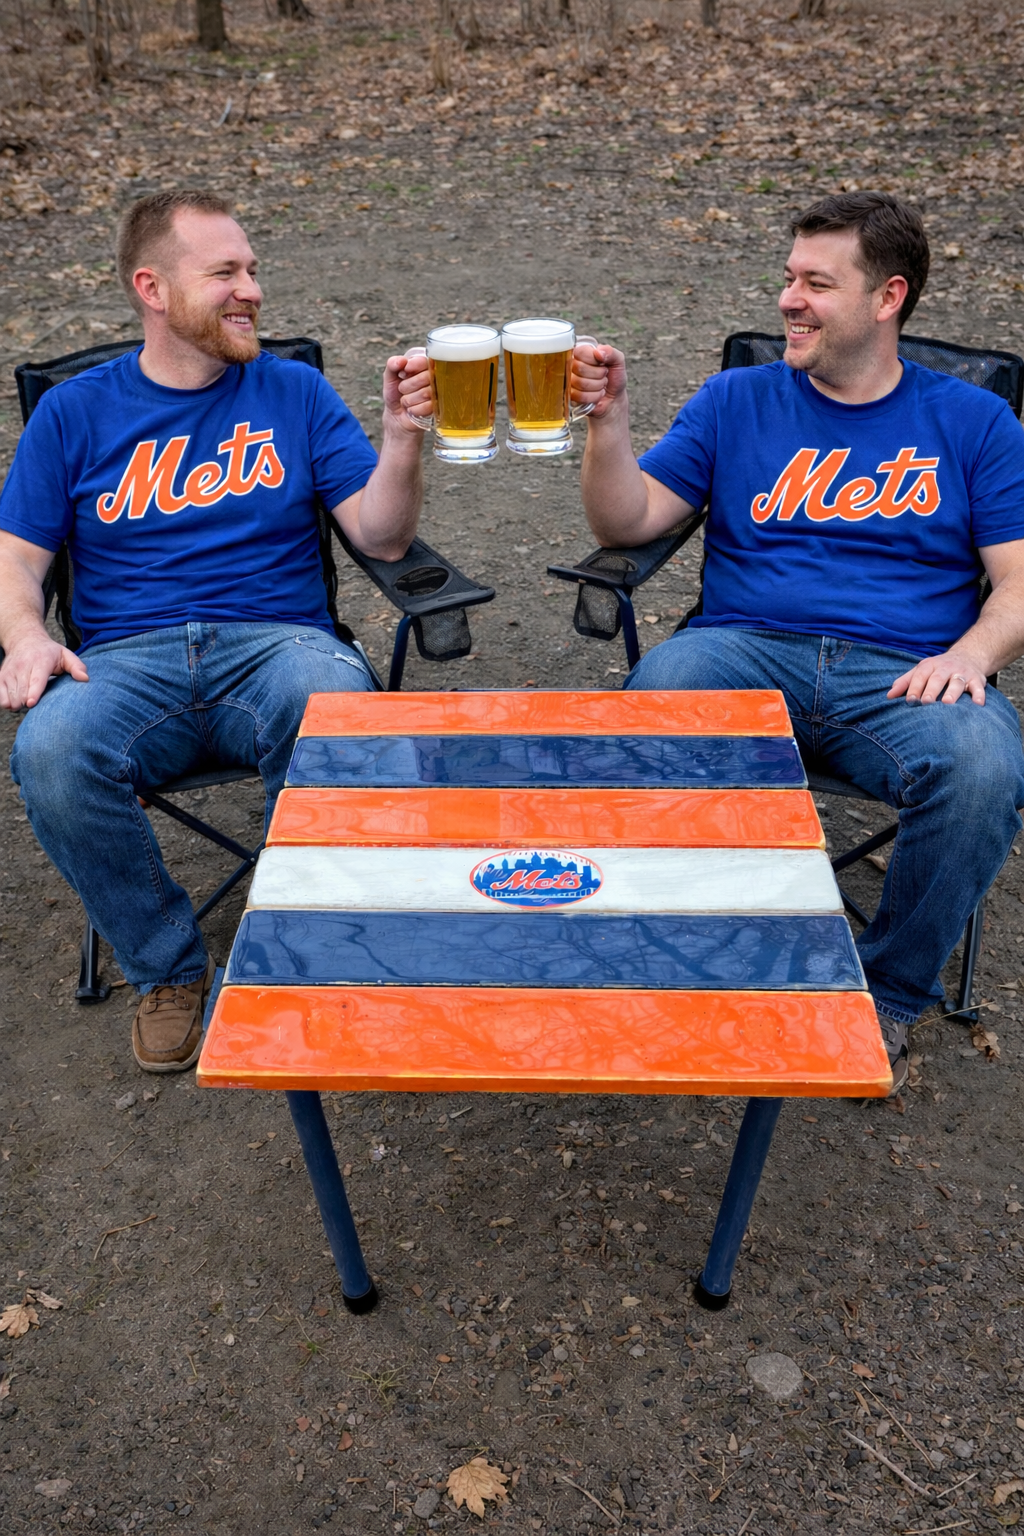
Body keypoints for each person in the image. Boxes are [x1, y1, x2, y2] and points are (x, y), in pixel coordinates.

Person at [573, 191, 1024, 1092]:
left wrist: (972, 657)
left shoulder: (975, 424)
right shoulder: (737, 398)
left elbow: (1017, 581)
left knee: (980, 771)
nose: (789, 300)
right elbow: (629, 523)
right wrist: (608, 426)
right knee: (655, 703)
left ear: (887, 297)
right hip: (744, 650)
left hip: (903, 675)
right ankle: (697, 950)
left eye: (817, 283)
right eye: (789, 278)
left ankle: (885, 995)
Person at [0, 190, 434, 1073]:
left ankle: (301, 952)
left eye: (253, 269)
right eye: (226, 272)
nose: (252, 290)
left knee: (336, 699)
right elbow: (19, 561)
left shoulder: (295, 390)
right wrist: (22, 637)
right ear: (152, 288)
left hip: (276, 644)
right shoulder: (74, 414)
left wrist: (399, 441)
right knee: (49, 749)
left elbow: (382, 537)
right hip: (125, 663)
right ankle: (168, 968)